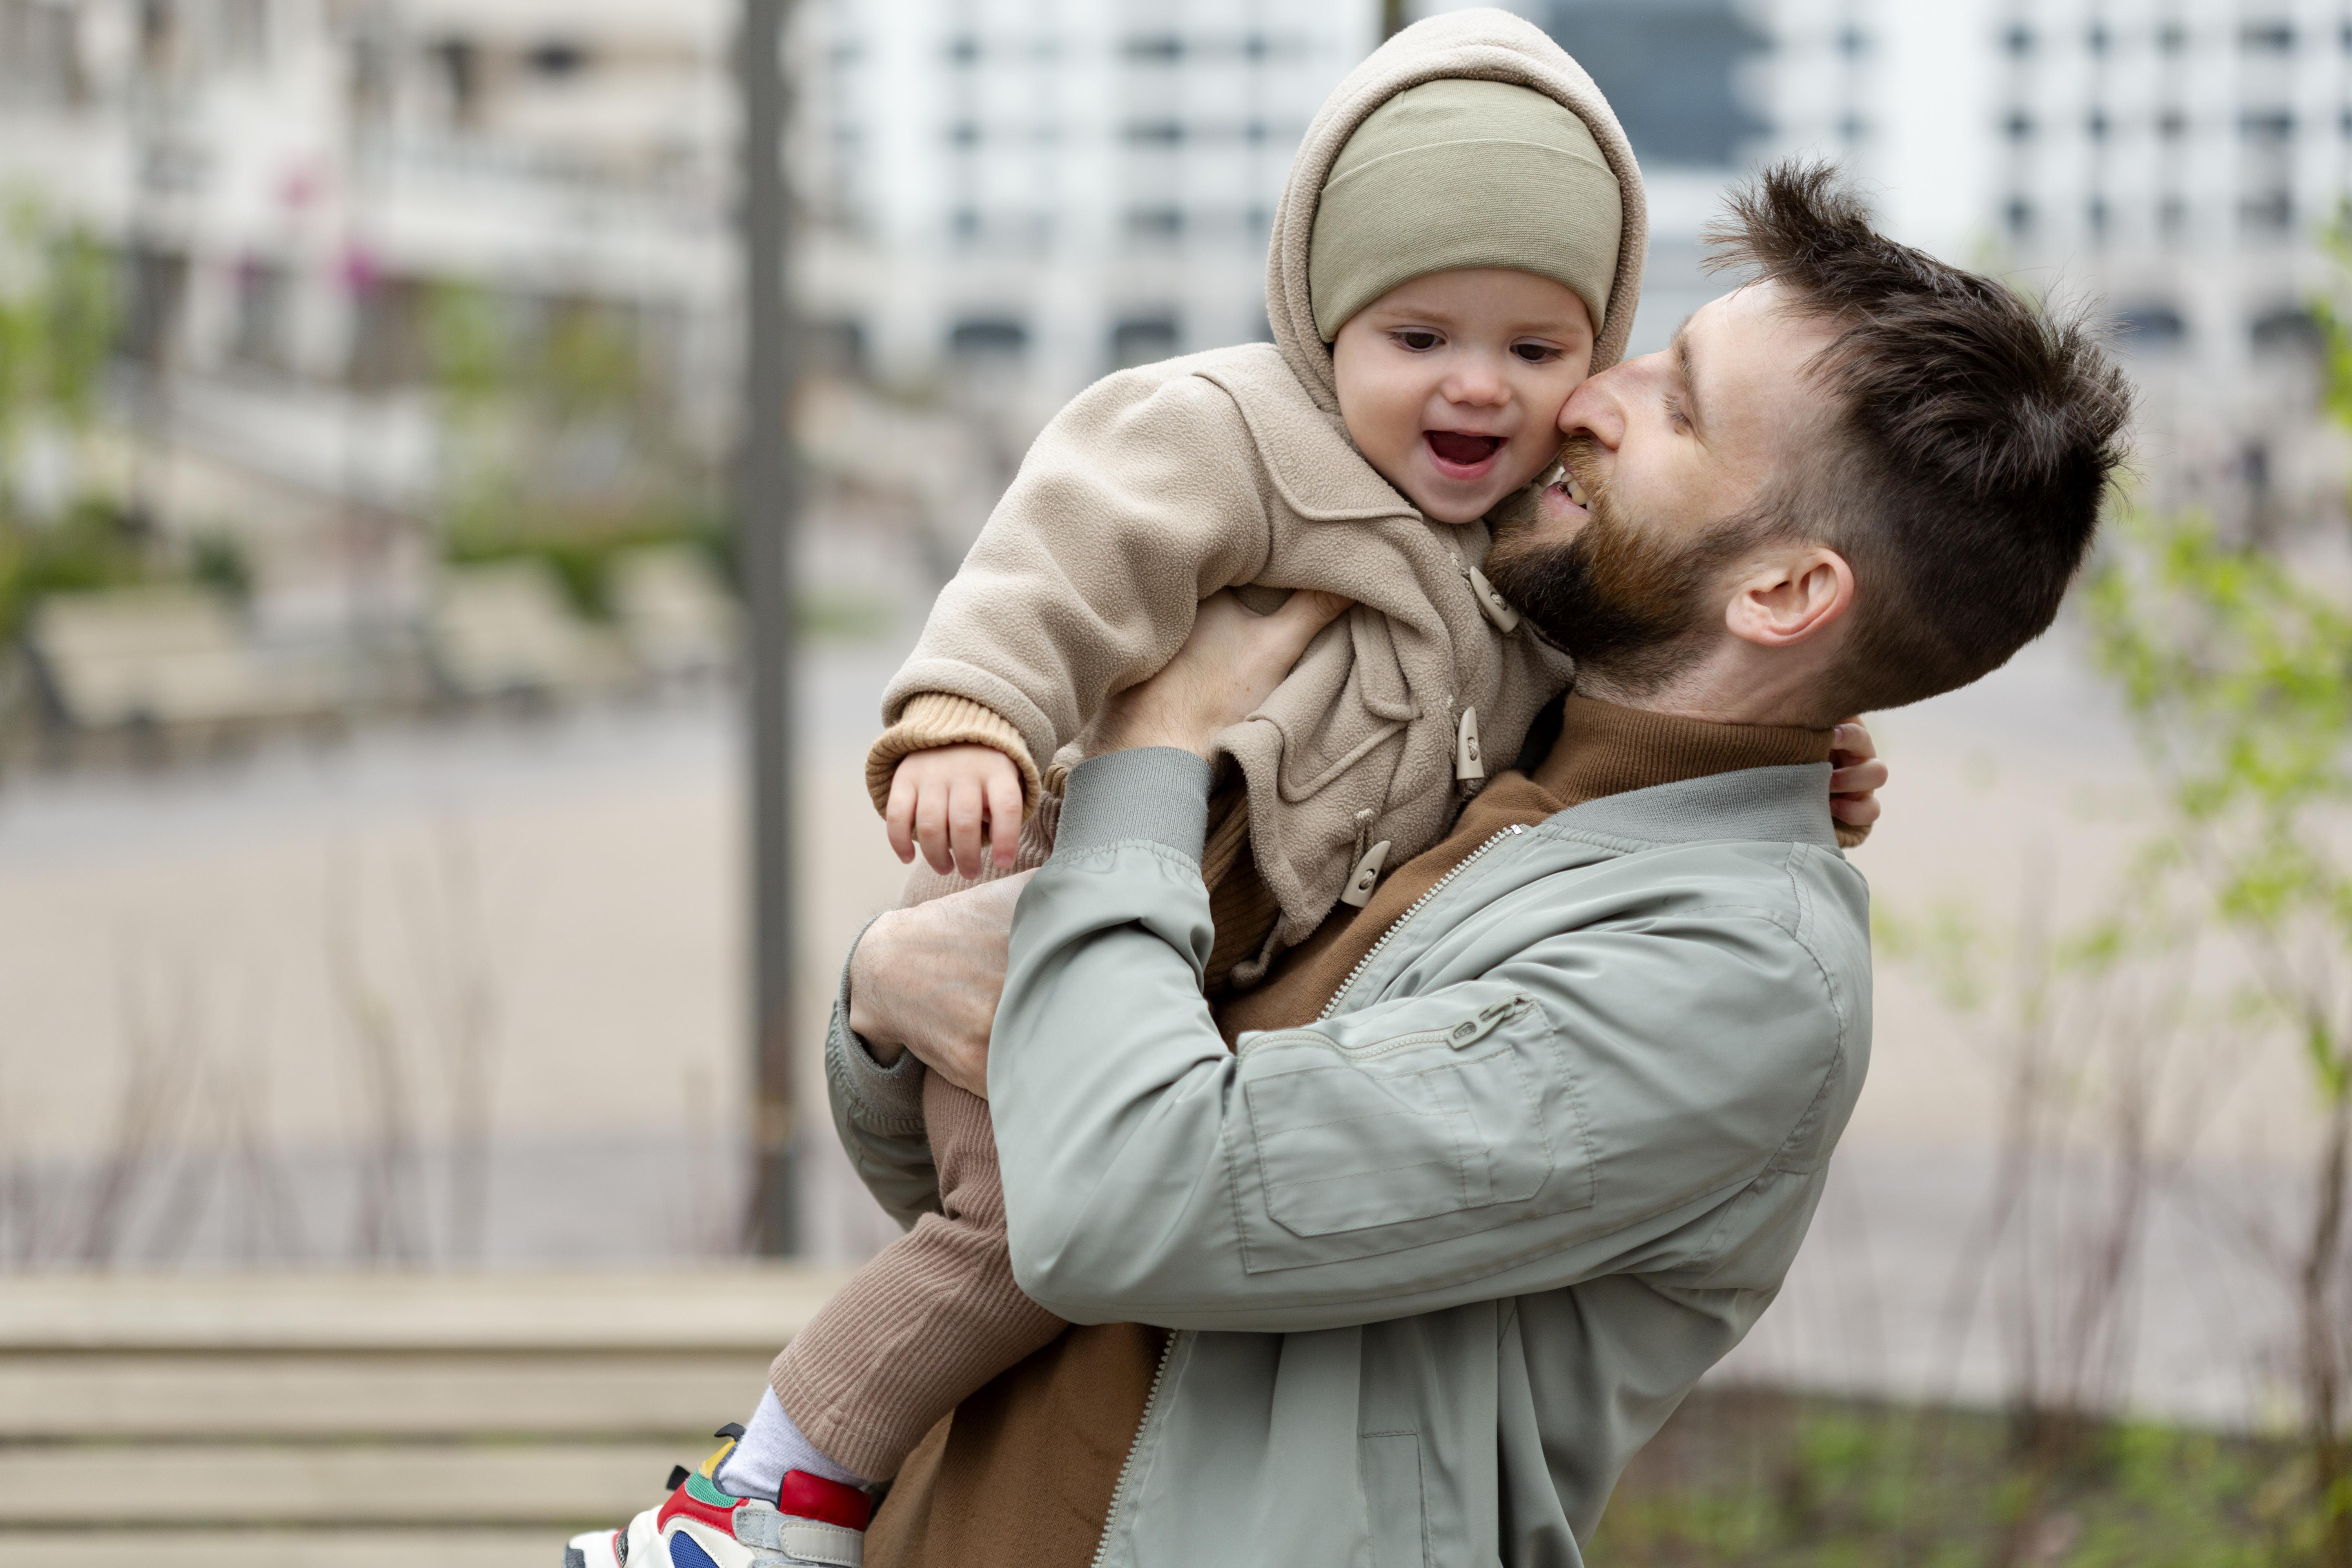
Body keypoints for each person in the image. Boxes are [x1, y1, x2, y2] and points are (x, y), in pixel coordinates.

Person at [566, 14, 1862, 1568]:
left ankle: (779, 1489)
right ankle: (766, 1491)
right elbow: (1055, 560)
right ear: (1323, 317)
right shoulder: (1234, 432)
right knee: (1003, 1243)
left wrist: (1807, 751)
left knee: (1029, 1234)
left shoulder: (1537, 563)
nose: (1483, 390)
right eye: (1417, 338)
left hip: (1182, 964)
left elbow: (1602, 715)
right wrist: (971, 721)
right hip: (1054, 885)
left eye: (1541, 350)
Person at [808, 161, 2129, 1568]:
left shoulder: (1730, 978)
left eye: (1674, 403)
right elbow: (986, 1204)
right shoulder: (1470, 741)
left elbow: (1119, 1203)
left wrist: (1158, 746)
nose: (1586, 400)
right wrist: (886, 1002)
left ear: (1787, 591)